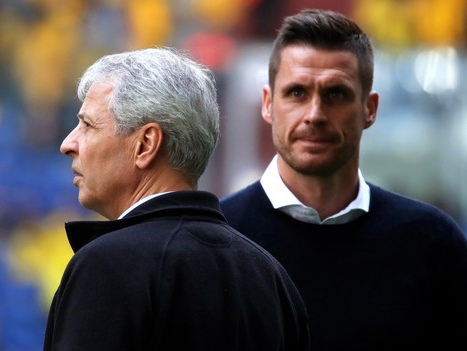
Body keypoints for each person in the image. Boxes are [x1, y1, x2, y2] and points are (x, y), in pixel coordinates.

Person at [220, 9, 467, 351]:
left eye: (336, 94)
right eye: (296, 93)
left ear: (370, 108)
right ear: (267, 104)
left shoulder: (433, 243)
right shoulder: (215, 240)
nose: (315, 114)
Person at [43, 47, 310, 351]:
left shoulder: (107, 266)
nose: (68, 143)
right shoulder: (272, 278)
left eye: (88, 125)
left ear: (145, 145)